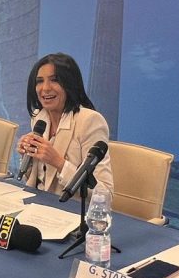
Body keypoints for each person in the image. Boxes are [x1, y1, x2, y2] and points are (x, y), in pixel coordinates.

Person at [16, 52, 113, 196]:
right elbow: (39, 181)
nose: (45, 88)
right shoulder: (39, 117)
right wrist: (27, 158)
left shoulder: (90, 121)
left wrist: (58, 162)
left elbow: (104, 193)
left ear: (70, 84)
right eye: (39, 81)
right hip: (38, 203)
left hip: (69, 207)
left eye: (54, 80)